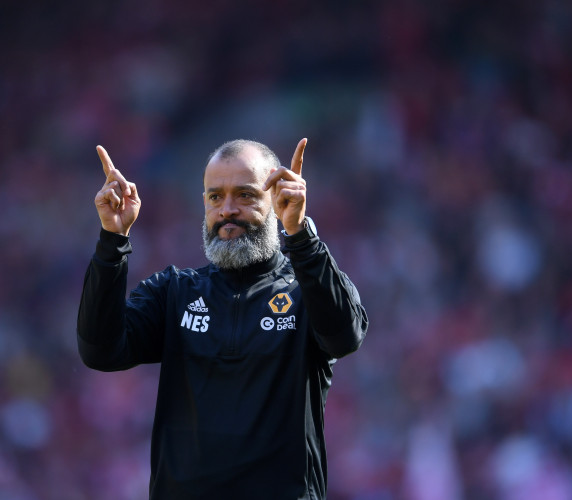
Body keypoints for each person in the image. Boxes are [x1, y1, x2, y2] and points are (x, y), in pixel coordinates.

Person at [77, 138, 369, 499]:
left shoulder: (307, 289)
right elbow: (99, 350)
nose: (227, 210)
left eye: (245, 195)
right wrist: (112, 239)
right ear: (204, 203)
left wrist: (300, 233)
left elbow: (344, 337)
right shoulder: (174, 291)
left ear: (277, 199)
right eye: (215, 197)